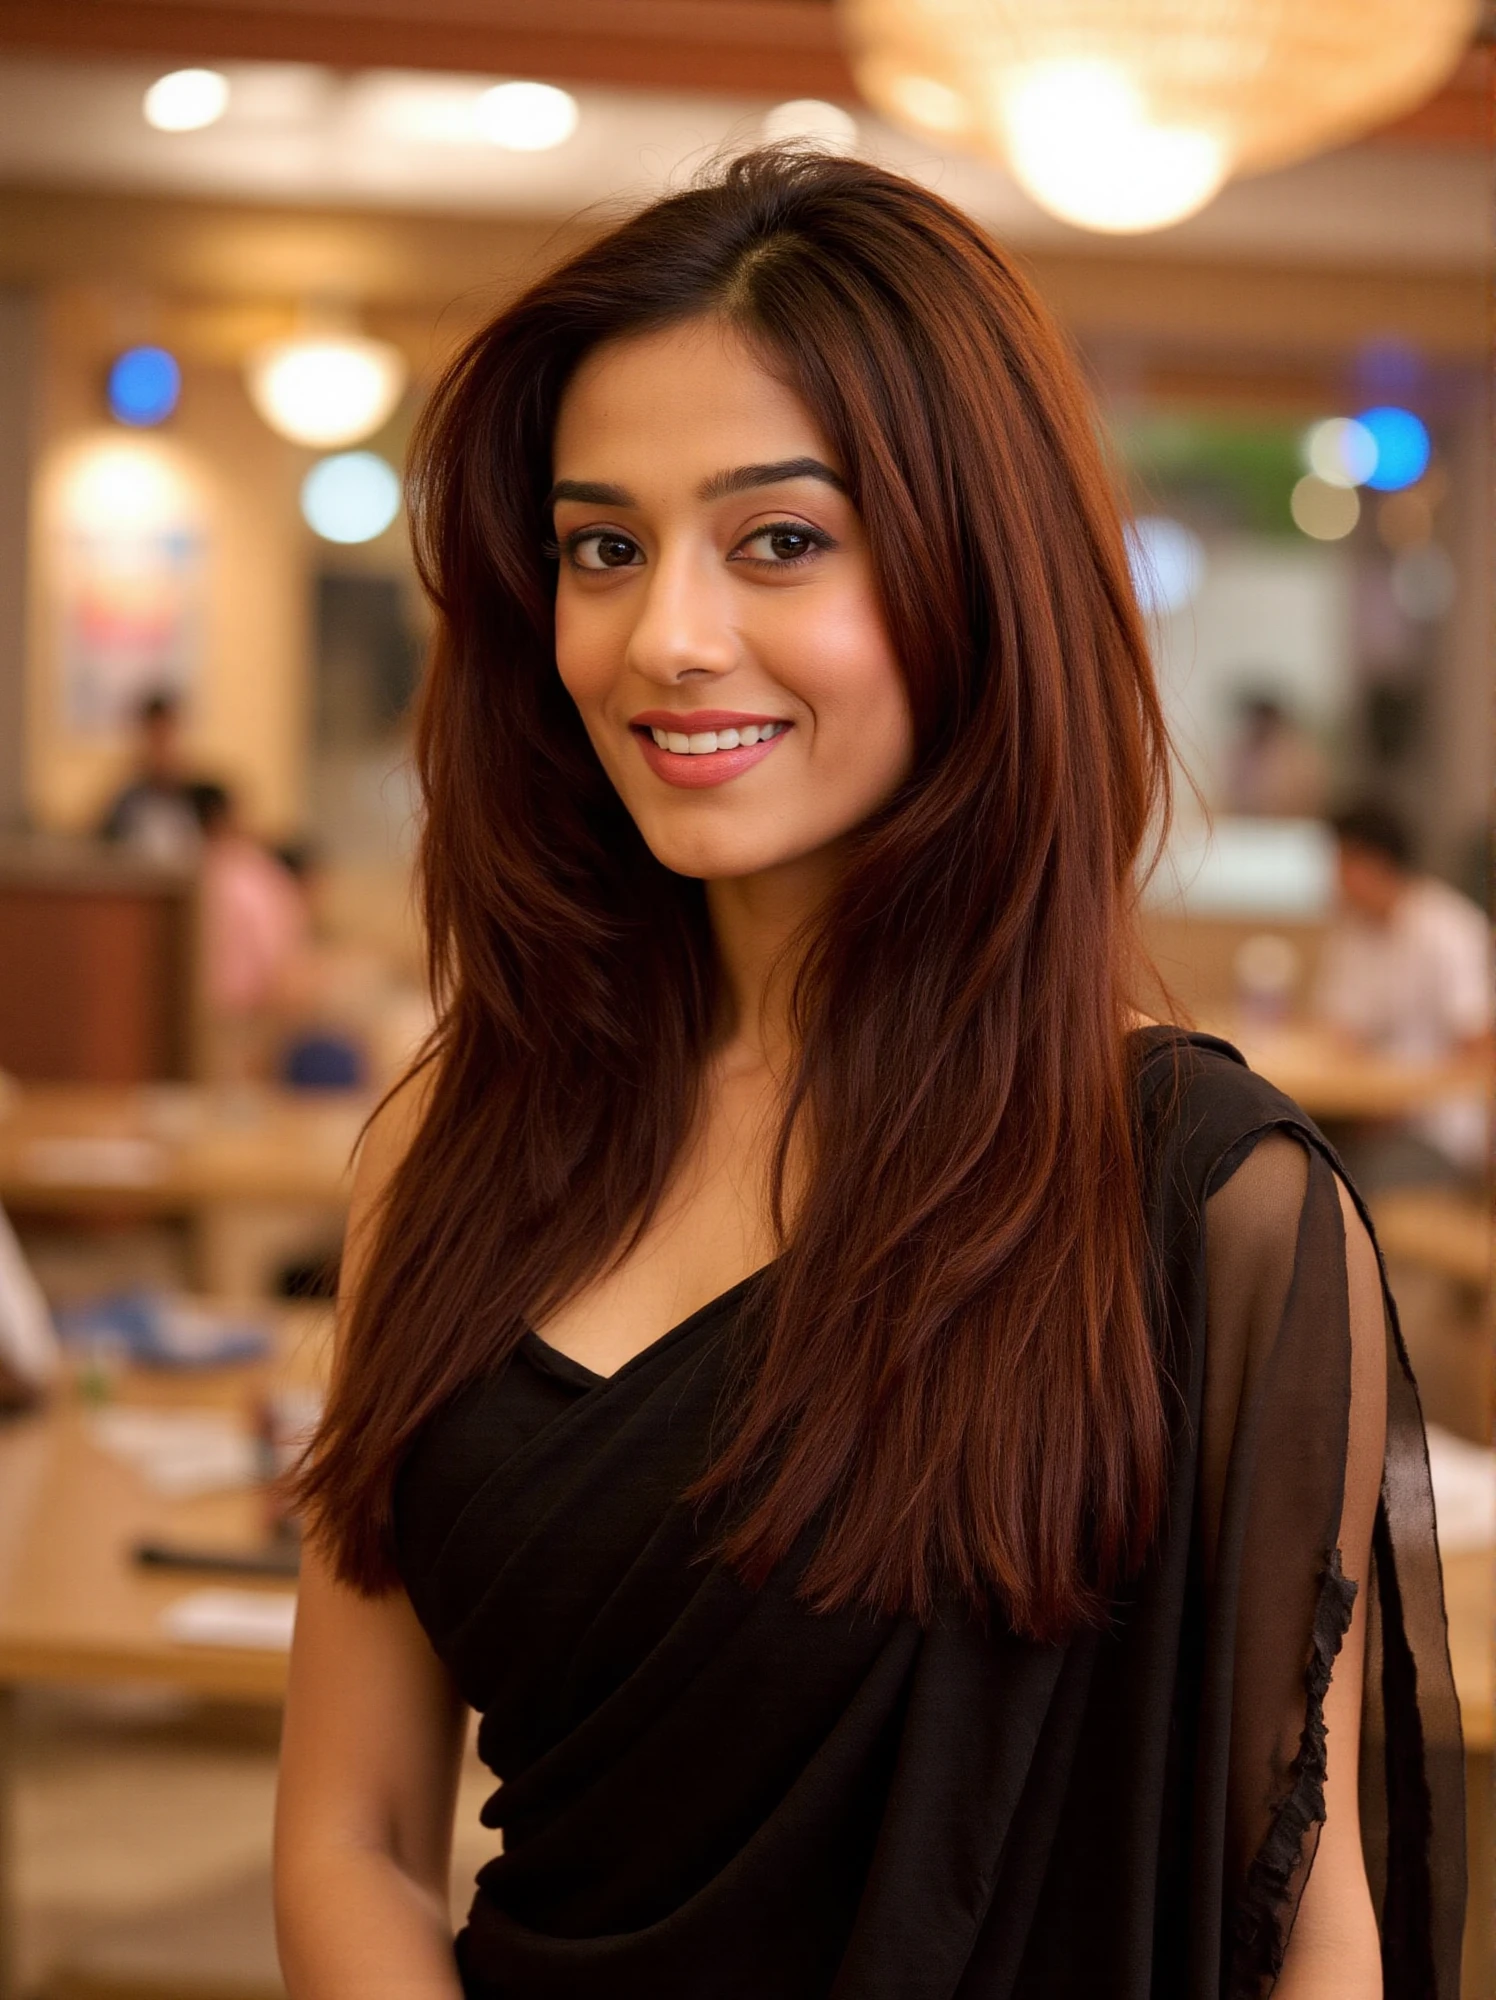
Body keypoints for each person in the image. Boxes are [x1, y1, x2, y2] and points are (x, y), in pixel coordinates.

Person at [274, 152, 1460, 1999]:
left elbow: (1300, 1915)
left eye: (779, 540)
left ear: (978, 582)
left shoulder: (1206, 1198)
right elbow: (349, 1827)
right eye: (603, 547)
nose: (665, 634)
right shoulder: (450, 1141)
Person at [1313, 801, 1491, 1187]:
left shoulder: (1449, 930)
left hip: (1436, 1132)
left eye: (1342, 862)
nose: (1333, 877)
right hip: (1362, 1116)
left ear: (1376, 863)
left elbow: (1479, 1049)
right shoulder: (1352, 932)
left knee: (1334, 1183)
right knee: (1287, 1156)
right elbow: (1340, 1032)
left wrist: (1396, 1104)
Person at [96, 690, 206, 866]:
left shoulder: (200, 798)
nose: (161, 749)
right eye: (155, 738)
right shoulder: (126, 802)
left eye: (167, 737)